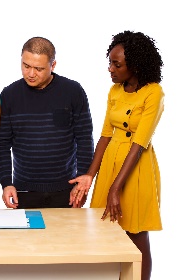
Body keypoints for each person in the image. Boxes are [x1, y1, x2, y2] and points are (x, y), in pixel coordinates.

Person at [69, 31, 164, 280]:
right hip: (111, 163)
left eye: (116, 64)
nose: (110, 69)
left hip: (136, 168)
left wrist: (116, 188)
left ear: (135, 65)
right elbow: (105, 136)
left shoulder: (154, 93)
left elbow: (140, 143)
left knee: (136, 233)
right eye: (110, 62)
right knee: (103, 229)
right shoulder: (115, 91)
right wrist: (90, 176)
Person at [0, 36, 94, 209]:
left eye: (39, 68)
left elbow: (84, 138)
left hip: (66, 189)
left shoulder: (73, 91)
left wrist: (82, 181)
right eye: (26, 66)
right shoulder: (10, 94)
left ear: (53, 65)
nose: (31, 74)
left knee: (65, 236)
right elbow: (2, 144)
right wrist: (6, 183)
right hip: (23, 191)